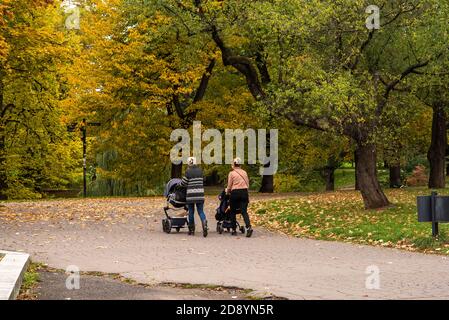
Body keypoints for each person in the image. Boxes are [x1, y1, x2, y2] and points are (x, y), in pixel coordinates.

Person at [180, 157, 208, 237]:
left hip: (191, 195)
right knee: (200, 211)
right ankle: (204, 222)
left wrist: (180, 184)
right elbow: (204, 180)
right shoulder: (200, 171)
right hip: (200, 194)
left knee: (191, 212)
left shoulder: (188, 171)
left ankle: (191, 230)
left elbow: (184, 183)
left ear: (189, 163)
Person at [226, 157, 253, 237]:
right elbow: (247, 184)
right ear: (240, 164)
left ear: (234, 164)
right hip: (244, 192)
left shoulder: (231, 173)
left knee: (233, 212)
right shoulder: (244, 172)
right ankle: (249, 227)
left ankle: (234, 229)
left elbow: (229, 185)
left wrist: (227, 192)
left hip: (235, 193)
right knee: (244, 211)